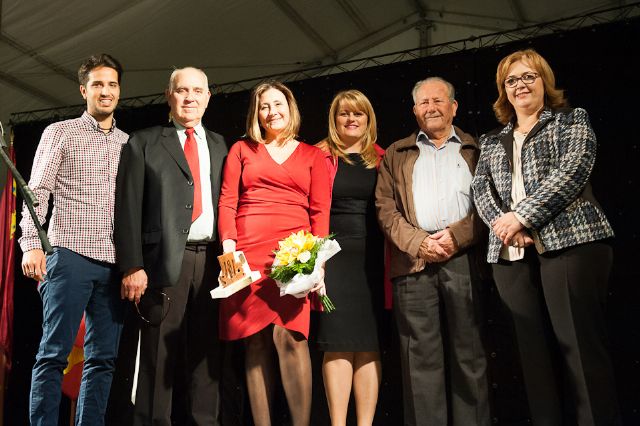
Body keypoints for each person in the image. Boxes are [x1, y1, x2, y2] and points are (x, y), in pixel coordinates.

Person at [472, 48, 619, 425]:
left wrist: (522, 217)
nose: (520, 85)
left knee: (580, 349)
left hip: (571, 242)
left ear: (544, 81)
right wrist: (505, 226)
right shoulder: (491, 140)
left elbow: (573, 170)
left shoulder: (571, 120)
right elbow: (481, 189)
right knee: (532, 359)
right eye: (511, 80)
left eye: (529, 76)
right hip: (511, 254)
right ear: (503, 91)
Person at [114, 67, 227, 425]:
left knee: (207, 356)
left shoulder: (221, 145)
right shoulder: (144, 142)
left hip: (212, 264)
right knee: (157, 356)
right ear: (169, 95)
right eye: (182, 90)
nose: (190, 97)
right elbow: (127, 209)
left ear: (208, 97)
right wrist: (132, 265)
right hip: (160, 264)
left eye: (197, 91)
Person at [19, 53, 127, 426]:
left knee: (103, 360)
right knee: (54, 354)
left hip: (113, 264)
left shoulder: (128, 143)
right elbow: (36, 192)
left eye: (112, 84)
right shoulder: (61, 132)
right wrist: (32, 243)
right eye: (97, 84)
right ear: (84, 90)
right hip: (68, 256)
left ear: (119, 90)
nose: (105, 91)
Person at [375, 77, 489, 426]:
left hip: (464, 259)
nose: (431, 108)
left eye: (438, 101)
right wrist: (419, 243)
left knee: (469, 355)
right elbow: (385, 209)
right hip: (413, 262)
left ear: (454, 107)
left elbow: (491, 204)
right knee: (419, 361)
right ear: (414, 111)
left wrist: (456, 236)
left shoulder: (477, 148)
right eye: (424, 102)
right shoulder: (396, 153)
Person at [217, 80, 331, 426]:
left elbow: (320, 212)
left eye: (278, 104)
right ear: (257, 113)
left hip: (294, 256)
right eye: (264, 106)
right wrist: (229, 250)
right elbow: (228, 201)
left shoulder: (313, 156)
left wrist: (319, 265)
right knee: (254, 342)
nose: (272, 112)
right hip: (247, 253)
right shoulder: (241, 150)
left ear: (290, 108)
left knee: (291, 338)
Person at [313, 90, 385, 425]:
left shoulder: (383, 158)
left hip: (372, 260)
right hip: (332, 258)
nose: (351, 119)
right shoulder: (318, 155)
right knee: (337, 341)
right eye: (344, 113)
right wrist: (315, 262)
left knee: (369, 343)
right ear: (334, 119)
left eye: (358, 113)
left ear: (368, 120)